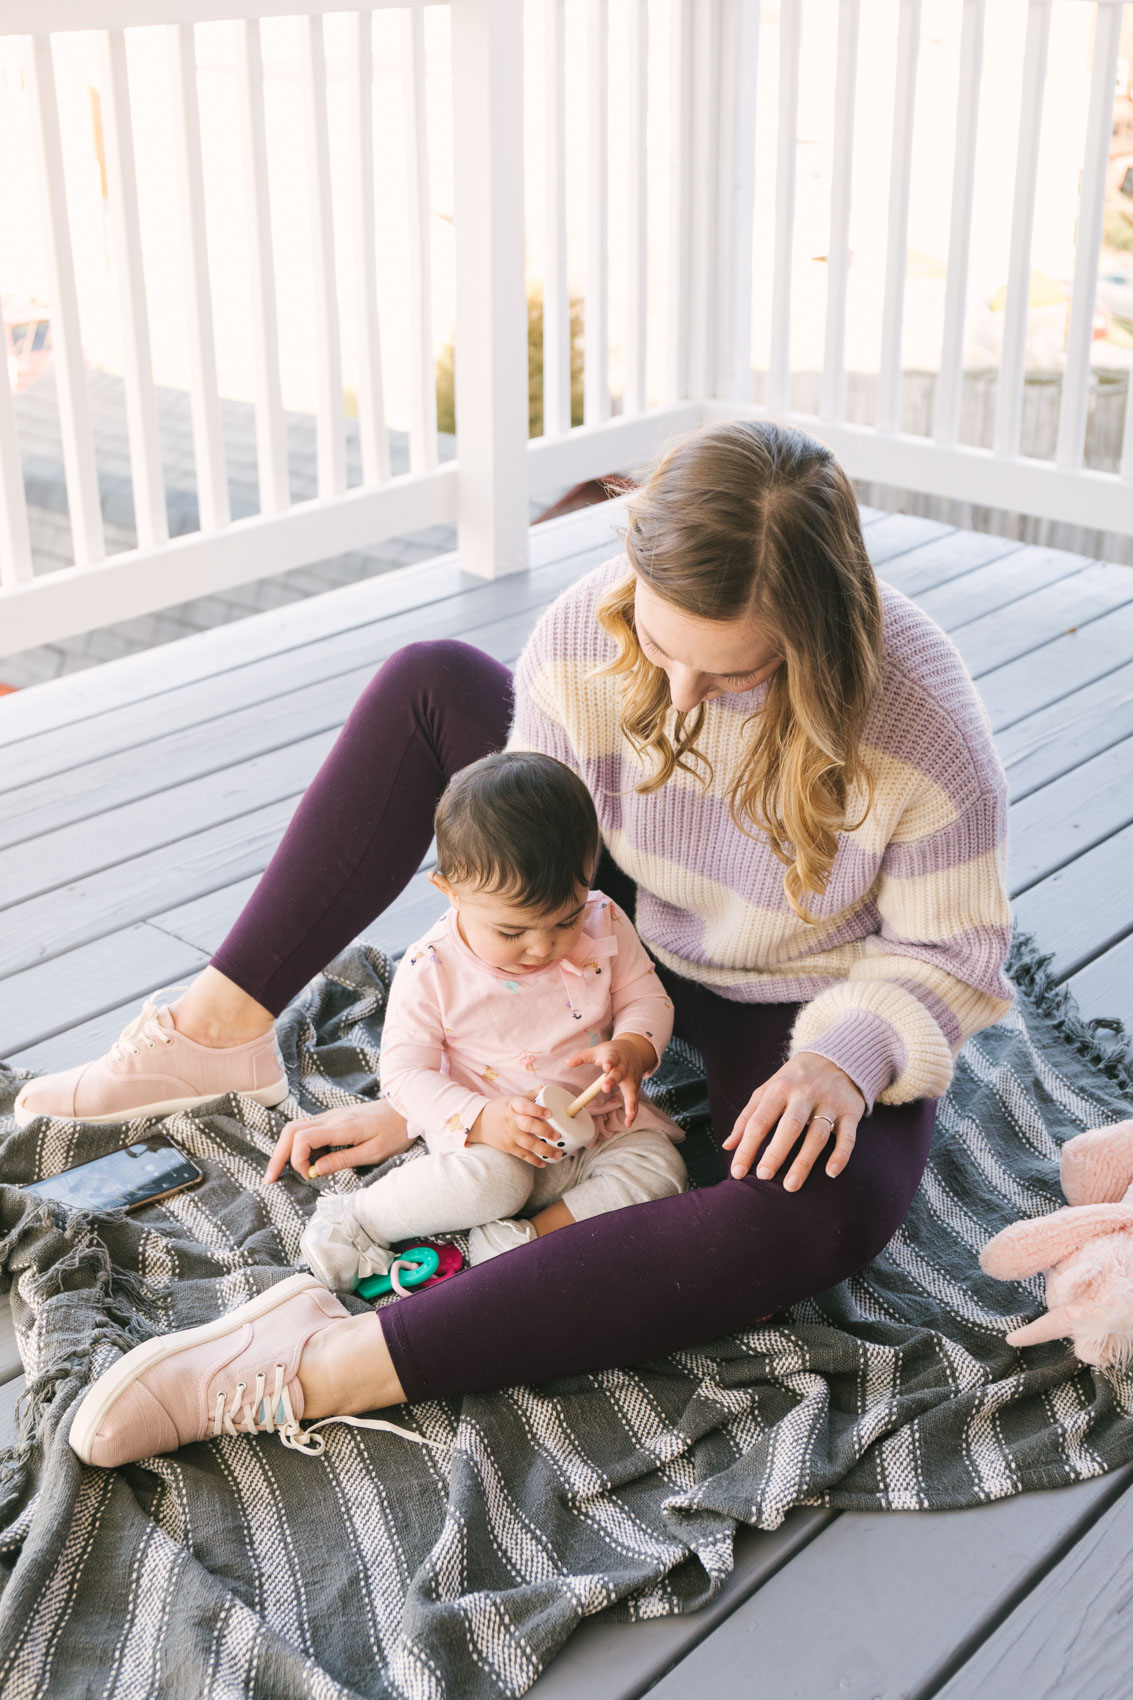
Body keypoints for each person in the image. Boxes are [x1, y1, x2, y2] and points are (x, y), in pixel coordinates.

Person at [43, 419, 1012, 1470]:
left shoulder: (919, 719)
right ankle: (217, 1029)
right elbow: (539, 865)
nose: (682, 697)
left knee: (818, 1209)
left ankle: (321, 1358)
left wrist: (841, 1060)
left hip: (800, 990)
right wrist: (446, 1088)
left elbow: (950, 954)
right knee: (434, 682)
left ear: (812, 638)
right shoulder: (584, 630)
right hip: (610, 916)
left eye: (733, 675)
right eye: (659, 645)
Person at [299, 749, 686, 1288]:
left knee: (660, 1169)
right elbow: (404, 1077)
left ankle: (529, 1241)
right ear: (450, 891)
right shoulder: (431, 967)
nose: (543, 946)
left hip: (598, 1123)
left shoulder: (605, 921)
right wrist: (481, 1118)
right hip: (494, 1141)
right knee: (493, 1185)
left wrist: (633, 1049)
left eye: (565, 920)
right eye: (512, 932)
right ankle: (360, 1216)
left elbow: (649, 999)